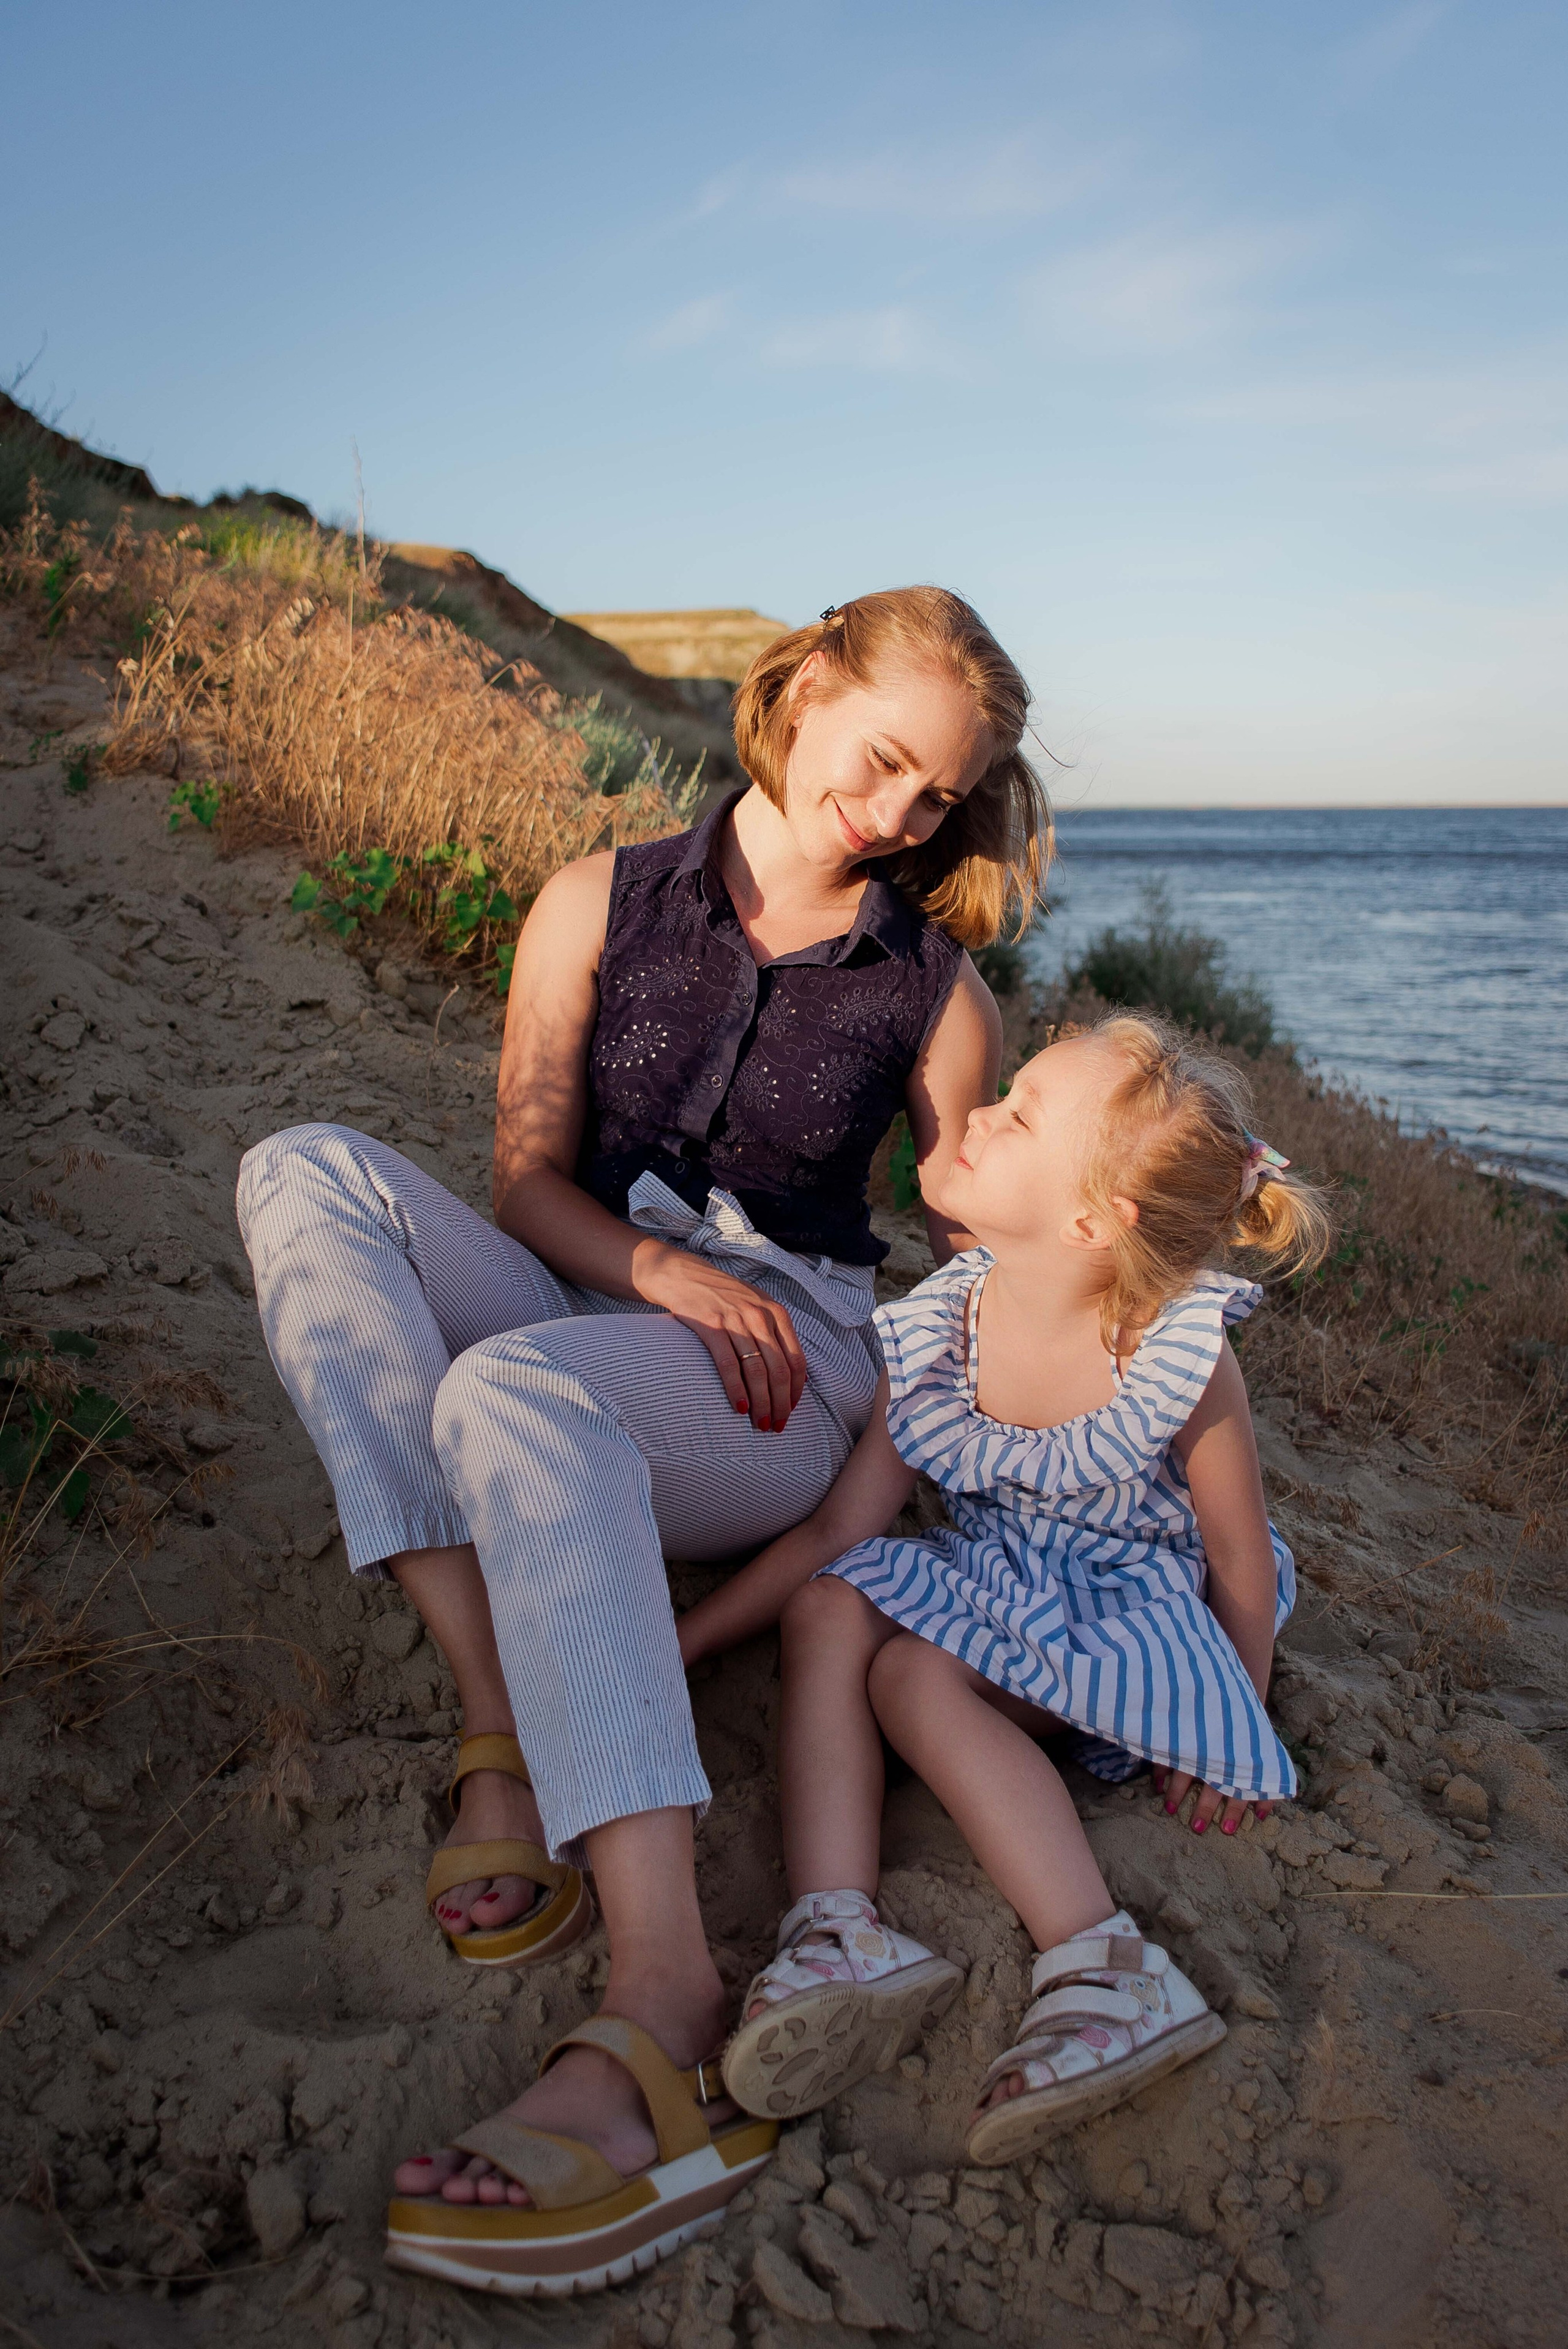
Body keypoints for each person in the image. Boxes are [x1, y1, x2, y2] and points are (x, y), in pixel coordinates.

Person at [235, 587, 1050, 2292]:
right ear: (804, 687)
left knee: (516, 1395)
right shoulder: (596, 897)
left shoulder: (936, 987)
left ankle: (667, 1992)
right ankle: (497, 1718)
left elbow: (980, 1285)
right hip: (587, 1287)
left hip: (778, 1374)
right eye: (885, 757)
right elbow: (525, 1172)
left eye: (937, 796)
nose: (900, 813)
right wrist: (651, 1265)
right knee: (304, 1165)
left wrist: (856, 1499)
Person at [678, 1015, 1330, 2165]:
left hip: (1132, 1615)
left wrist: (1218, 1723)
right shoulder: (947, 1322)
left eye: (1018, 1113)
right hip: (1002, 1585)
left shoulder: (1174, 1354)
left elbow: (1236, 1559)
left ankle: (1103, 1963)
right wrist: (679, 1645)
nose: (977, 1112)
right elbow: (842, 1527)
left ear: (1091, 1223)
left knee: (914, 1675)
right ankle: (835, 1928)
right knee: (834, 1602)